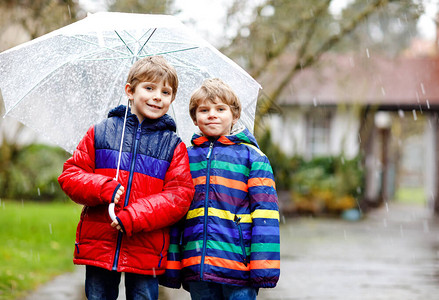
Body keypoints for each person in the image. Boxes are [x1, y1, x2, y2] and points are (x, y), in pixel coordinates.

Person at [58, 56, 195, 300]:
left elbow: (179, 196)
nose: (157, 96)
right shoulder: (101, 132)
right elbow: (71, 175)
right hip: (101, 242)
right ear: (129, 91)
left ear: (172, 99)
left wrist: (135, 216)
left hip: (146, 246)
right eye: (149, 88)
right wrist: (102, 187)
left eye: (166, 92)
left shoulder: (173, 146)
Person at [161, 78, 280, 299]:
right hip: (197, 267)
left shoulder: (252, 158)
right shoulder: (184, 158)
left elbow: (265, 216)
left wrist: (263, 269)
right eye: (204, 110)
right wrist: (173, 263)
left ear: (234, 115)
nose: (212, 114)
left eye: (220, 109)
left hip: (239, 269)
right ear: (195, 119)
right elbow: (176, 214)